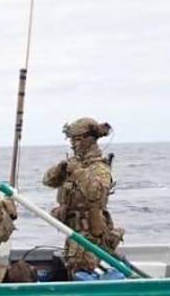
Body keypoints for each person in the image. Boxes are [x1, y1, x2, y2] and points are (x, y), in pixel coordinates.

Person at [42, 117, 124, 274]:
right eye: (71, 140)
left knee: (81, 270)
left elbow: (96, 194)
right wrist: (60, 170)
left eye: (77, 139)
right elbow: (47, 181)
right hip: (73, 231)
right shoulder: (73, 164)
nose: (73, 144)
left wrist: (78, 172)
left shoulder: (99, 168)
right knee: (70, 268)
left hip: (91, 234)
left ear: (90, 140)